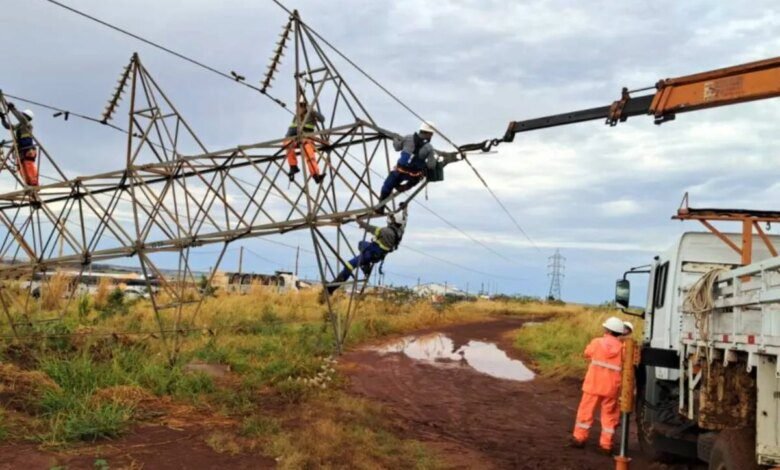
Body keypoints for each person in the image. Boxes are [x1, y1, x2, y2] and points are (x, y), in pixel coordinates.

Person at [323, 206, 407, 298]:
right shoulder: (399, 232)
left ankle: (331, 288)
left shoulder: (385, 231)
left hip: (370, 254)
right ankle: (365, 266)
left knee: (349, 265)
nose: (389, 219)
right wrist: (404, 209)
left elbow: (369, 227)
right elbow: (404, 221)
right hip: (377, 254)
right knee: (362, 244)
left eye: (391, 218)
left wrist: (356, 220)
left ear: (394, 220)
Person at [571, 316, 625, 454]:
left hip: (593, 385)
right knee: (609, 416)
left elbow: (587, 353)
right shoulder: (623, 348)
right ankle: (606, 445)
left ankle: (579, 439)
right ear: (620, 333)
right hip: (612, 387)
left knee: (585, 412)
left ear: (606, 329)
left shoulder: (597, 342)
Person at [378, 122, 438, 208]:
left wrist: (395, 138)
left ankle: (380, 207)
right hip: (413, 176)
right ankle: (404, 187)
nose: (431, 136)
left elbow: (397, 147)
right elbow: (431, 166)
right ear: (429, 133)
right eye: (431, 134)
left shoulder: (408, 138)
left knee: (387, 185)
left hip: (399, 172)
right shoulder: (429, 148)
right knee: (415, 179)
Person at [285, 96, 325, 184]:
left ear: (305, 106)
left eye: (301, 106)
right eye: (298, 106)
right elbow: (291, 129)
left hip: (306, 139)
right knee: (287, 143)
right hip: (296, 139)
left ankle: (315, 175)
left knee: (309, 154)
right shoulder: (297, 116)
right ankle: (293, 167)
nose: (299, 108)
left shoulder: (311, 113)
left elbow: (322, 119)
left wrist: (312, 110)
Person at [1, 104, 38, 186]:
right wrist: (3, 118)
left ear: (27, 117)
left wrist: (13, 109)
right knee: (21, 167)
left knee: (29, 166)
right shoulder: (19, 126)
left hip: (28, 149)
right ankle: (28, 184)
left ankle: (34, 183)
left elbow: (21, 118)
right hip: (22, 150)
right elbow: (8, 126)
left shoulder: (28, 125)